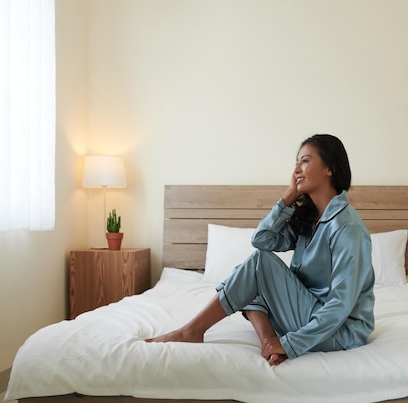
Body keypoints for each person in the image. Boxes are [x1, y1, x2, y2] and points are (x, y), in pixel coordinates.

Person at [146, 134, 375, 366]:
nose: (296, 169)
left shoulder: (348, 228)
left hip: (340, 331)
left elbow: (340, 305)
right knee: (246, 277)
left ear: (330, 169)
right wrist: (289, 195)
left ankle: (192, 331)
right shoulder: (311, 218)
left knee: (258, 266)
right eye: (296, 162)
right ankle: (268, 340)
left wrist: (290, 344)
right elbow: (261, 239)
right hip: (307, 312)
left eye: (305, 161)